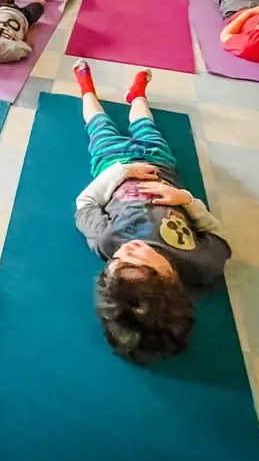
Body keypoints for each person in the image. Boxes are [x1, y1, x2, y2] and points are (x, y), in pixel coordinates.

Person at [71, 59, 231, 363]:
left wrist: (122, 171)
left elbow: (85, 204)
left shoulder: (107, 241)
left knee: (98, 124)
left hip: (112, 163)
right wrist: (183, 200)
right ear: (171, 277)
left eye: (118, 262)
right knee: (146, 125)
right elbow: (215, 231)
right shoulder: (203, 263)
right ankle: (137, 95)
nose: (128, 249)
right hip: (160, 165)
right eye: (141, 261)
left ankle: (86, 90)